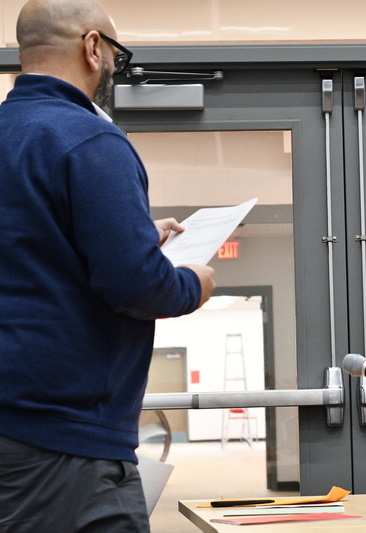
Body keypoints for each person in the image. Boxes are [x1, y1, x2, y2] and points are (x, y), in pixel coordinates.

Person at [0, 0, 216, 531]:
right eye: (117, 53)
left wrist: (138, 237)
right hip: (64, 442)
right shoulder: (89, 138)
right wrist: (193, 283)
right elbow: (137, 286)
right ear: (94, 47)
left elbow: (35, 252)